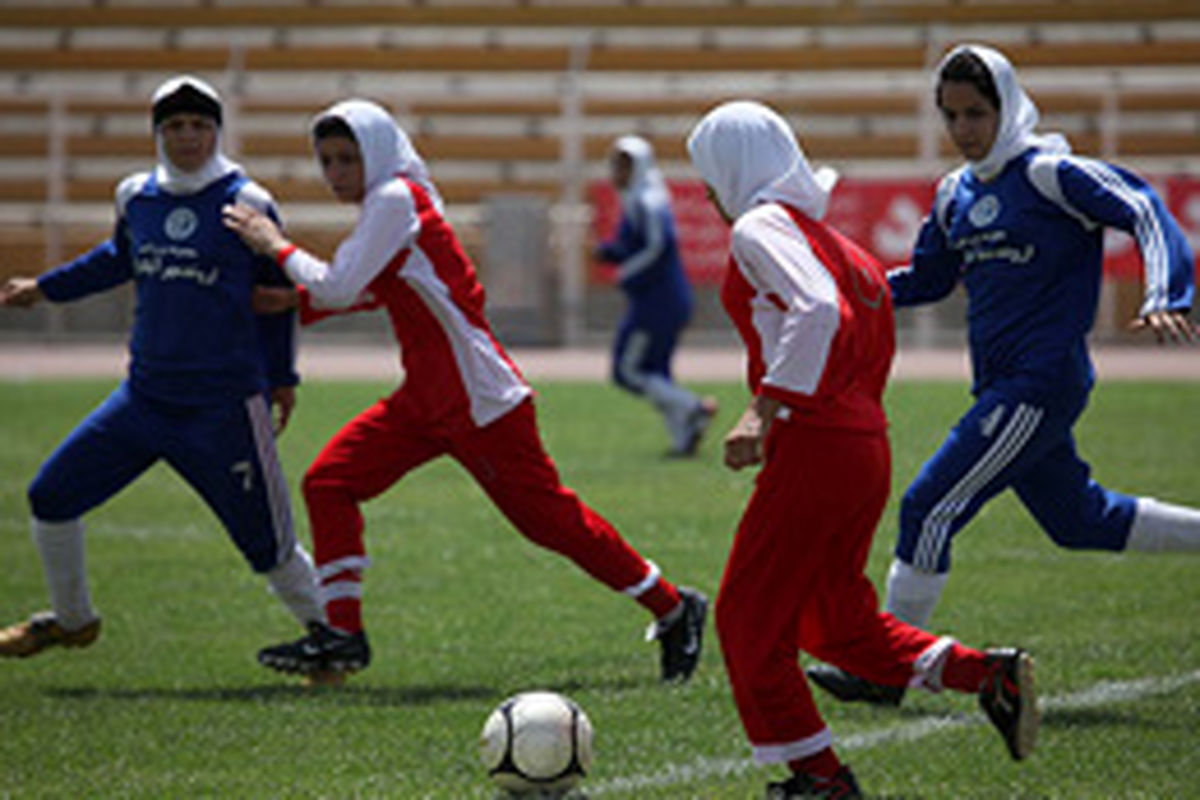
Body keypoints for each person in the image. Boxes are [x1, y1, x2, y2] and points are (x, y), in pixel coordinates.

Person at [221, 99, 707, 683]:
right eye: (326, 160)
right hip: (427, 398)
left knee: (549, 522)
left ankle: (675, 606)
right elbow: (383, 288)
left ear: (376, 154)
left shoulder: (395, 199)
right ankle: (343, 636)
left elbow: (346, 281)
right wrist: (294, 301)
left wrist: (275, 245)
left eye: (348, 158)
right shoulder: (392, 201)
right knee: (330, 482)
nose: (336, 173)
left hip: (480, 401)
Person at [807, 43, 1200, 709]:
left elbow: (1140, 204)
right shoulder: (953, 193)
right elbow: (928, 279)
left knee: (928, 506)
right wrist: (844, 292)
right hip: (1002, 388)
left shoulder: (1049, 173)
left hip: (1041, 382)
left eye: (977, 113)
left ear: (1008, 107)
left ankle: (885, 668)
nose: (963, 129)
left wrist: (1167, 289)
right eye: (952, 115)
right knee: (1079, 519)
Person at [686, 99, 1039, 798]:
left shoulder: (761, 225)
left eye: (706, 174)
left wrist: (765, 409)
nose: (702, 191)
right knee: (832, 620)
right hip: (860, 446)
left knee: (748, 616)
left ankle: (821, 781)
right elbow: (860, 324)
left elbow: (819, 312)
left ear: (733, 169)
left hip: (817, 447)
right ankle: (986, 673)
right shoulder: (832, 240)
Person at [0, 76, 324, 661]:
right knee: (51, 495)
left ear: (217, 130)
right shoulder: (136, 196)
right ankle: (73, 620)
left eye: (200, 124)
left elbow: (277, 297)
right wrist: (43, 289)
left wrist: (283, 378)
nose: (188, 136)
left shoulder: (248, 201)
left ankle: (329, 639)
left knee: (267, 544)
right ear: (157, 132)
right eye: (175, 125)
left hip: (224, 407)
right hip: (143, 401)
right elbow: (116, 259)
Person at [592, 135, 717, 456]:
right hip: (660, 298)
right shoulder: (640, 199)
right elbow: (633, 246)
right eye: (615, 164)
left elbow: (657, 246)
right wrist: (610, 253)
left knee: (628, 371)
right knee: (657, 374)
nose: (616, 172)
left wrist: (625, 271)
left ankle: (694, 408)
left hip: (658, 300)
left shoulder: (647, 201)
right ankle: (683, 440)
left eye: (624, 165)